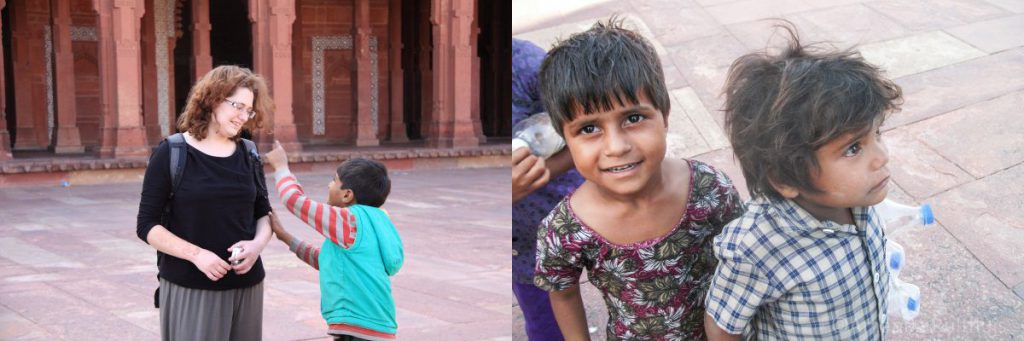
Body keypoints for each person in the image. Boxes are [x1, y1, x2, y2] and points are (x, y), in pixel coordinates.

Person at [533, 18, 745, 340]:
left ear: (665, 115)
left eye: (633, 118)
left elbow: (744, 260)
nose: (617, 147)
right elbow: (562, 293)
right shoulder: (563, 230)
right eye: (589, 129)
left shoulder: (709, 189)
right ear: (565, 139)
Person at [704, 23, 903, 340]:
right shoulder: (757, 246)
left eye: (876, 134)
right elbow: (722, 325)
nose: (881, 156)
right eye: (853, 148)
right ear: (785, 178)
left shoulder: (856, 202)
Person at [136, 65, 275, 341]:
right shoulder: (172, 152)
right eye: (238, 106)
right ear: (213, 99)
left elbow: (264, 212)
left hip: (247, 285)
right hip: (193, 286)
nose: (243, 116)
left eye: (249, 110)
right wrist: (197, 255)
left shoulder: (248, 153)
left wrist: (257, 245)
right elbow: (146, 225)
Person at [263, 143, 404, 341]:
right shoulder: (375, 221)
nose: (329, 185)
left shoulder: (350, 220)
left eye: (333, 180)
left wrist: (281, 167)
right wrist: (284, 236)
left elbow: (293, 200)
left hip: (358, 327)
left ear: (347, 194)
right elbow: (327, 261)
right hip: (375, 325)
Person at [512, 37, 584, 340]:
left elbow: (583, 127)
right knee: (547, 319)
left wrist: (535, 174)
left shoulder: (525, 64)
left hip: (571, 205)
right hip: (523, 241)